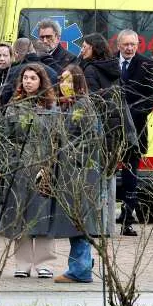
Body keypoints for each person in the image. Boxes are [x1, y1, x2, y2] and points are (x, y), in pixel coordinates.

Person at [51, 65, 111, 283]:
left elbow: (93, 139)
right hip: (72, 171)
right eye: (61, 81)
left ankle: (81, 269)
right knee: (75, 221)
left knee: (79, 221)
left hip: (82, 172)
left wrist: (70, 154)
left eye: (68, 81)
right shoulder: (68, 106)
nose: (63, 85)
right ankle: (81, 265)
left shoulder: (83, 106)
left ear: (77, 82)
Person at [1, 64, 59, 279]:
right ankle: (22, 263)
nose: (28, 81)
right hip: (20, 168)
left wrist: (51, 165)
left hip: (44, 167)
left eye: (33, 78)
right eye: (25, 77)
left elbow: (56, 138)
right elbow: (5, 136)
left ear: (41, 81)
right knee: (21, 215)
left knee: (43, 214)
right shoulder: (14, 107)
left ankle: (44, 263)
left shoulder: (52, 107)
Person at [116, 30, 153, 236]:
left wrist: (131, 114)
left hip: (136, 129)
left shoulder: (146, 64)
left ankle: (127, 217)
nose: (129, 48)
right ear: (119, 45)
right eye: (125, 44)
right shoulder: (109, 63)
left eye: (133, 44)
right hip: (112, 128)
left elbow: (152, 96)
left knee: (130, 173)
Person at [0, 38, 60, 108]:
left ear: (16, 54)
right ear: (33, 51)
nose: (28, 81)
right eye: (25, 78)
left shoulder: (12, 71)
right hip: (46, 114)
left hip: (17, 114)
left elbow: (4, 100)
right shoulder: (53, 72)